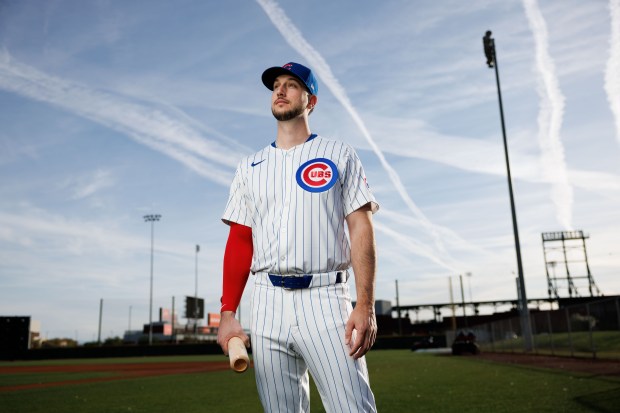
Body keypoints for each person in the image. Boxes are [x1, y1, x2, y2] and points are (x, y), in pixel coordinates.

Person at [217, 61, 379, 413]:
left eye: (292, 84)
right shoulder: (250, 167)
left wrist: (365, 304)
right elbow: (240, 240)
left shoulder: (339, 154)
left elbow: (361, 228)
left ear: (311, 100)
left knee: (353, 408)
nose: (280, 90)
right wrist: (227, 311)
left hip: (326, 298)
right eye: (276, 84)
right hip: (266, 302)